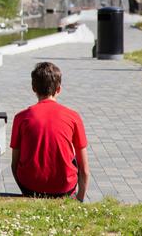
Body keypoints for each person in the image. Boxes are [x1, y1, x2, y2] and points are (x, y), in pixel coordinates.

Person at [10, 62, 89, 201]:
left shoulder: (20, 118)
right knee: (72, 157)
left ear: (33, 88)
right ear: (58, 89)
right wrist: (80, 199)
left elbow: (14, 164)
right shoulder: (73, 117)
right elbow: (84, 170)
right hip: (64, 188)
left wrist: (26, 188)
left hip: (29, 186)